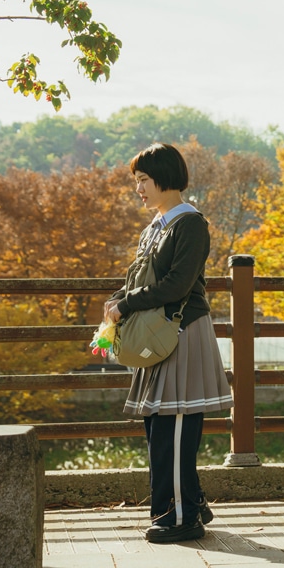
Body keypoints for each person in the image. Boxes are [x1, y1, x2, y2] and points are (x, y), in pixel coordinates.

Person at [104, 143, 233, 543]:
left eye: (144, 180)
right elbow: (142, 280)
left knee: (172, 428)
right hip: (160, 336)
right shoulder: (155, 227)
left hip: (181, 332)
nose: (138, 188)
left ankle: (180, 518)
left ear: (165, 177)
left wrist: (126, 304)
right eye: (136, 181)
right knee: (159, 427)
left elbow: (178, 285)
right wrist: (117, 300)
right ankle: (190, 503)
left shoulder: (190, 224)